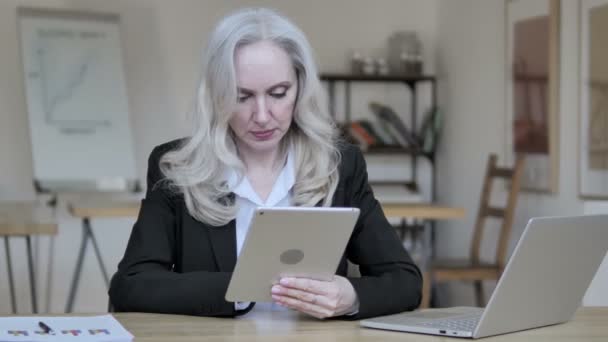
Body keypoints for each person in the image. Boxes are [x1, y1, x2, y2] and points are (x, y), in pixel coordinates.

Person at [109, 7, 421, 319]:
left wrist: (350, 296)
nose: (261, 115)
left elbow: (405, 282)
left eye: (278, 93)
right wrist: (240, 290)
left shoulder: (340, 165)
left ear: (300, 88)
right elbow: (131, 286)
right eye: (242, 97)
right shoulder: (177, 168)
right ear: (217, 95)